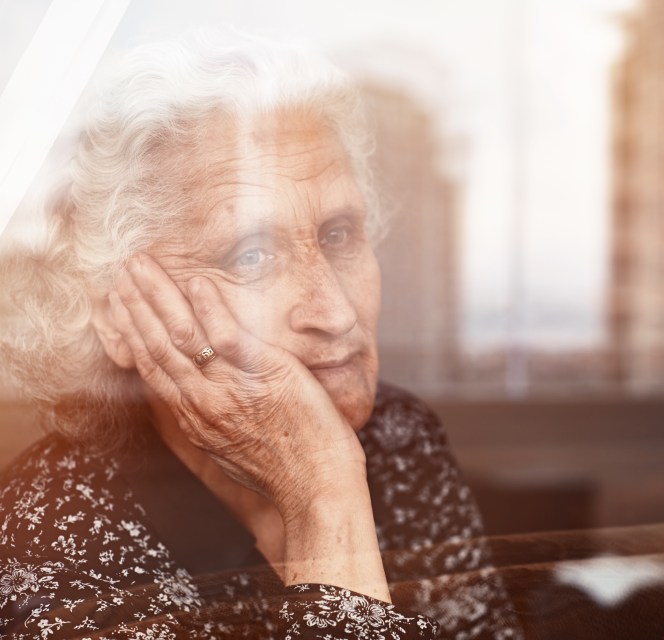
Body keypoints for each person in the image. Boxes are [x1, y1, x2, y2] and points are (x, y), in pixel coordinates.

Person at [0, 31, 517, 639]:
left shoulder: (400, 441)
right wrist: (324, 499)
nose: (336, 312)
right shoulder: (48, 548)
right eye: (250, 255)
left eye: (339, 234)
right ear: (116, 310)